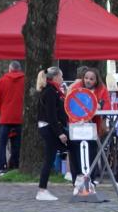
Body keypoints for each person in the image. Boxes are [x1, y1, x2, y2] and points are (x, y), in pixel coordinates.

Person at [67, 67, 112, 184]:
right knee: (75, 153)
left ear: (96, 80)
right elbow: (69, 104)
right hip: (76, 125)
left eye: (91, 79)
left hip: (92, 126)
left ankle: (90, 179)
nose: (88, 81)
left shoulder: (102, 90)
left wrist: (100, 107)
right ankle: (76, 179)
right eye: (86, 78)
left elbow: (107, 106)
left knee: (91, 152)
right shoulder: (75, 88)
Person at [36, 67, 69, 201]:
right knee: (49, 158)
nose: (62, 79)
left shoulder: (53, 90)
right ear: (55, 77)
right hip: (49, 128)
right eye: (61, 76)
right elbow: (51, 115)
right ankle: (42, 190)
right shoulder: (50, 91)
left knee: (69, 148)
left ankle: (77, 179)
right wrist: (60, 133)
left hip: (50, 127)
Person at [0, 61, 25, 173]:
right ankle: (14, 165)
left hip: (5, 116)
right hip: (19, 117)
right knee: (17, 144)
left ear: (10, 69)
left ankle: (2, 166)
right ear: (19, 69)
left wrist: (1, 109)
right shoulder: (25, 80)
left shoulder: (2, 80)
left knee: (2, 144)